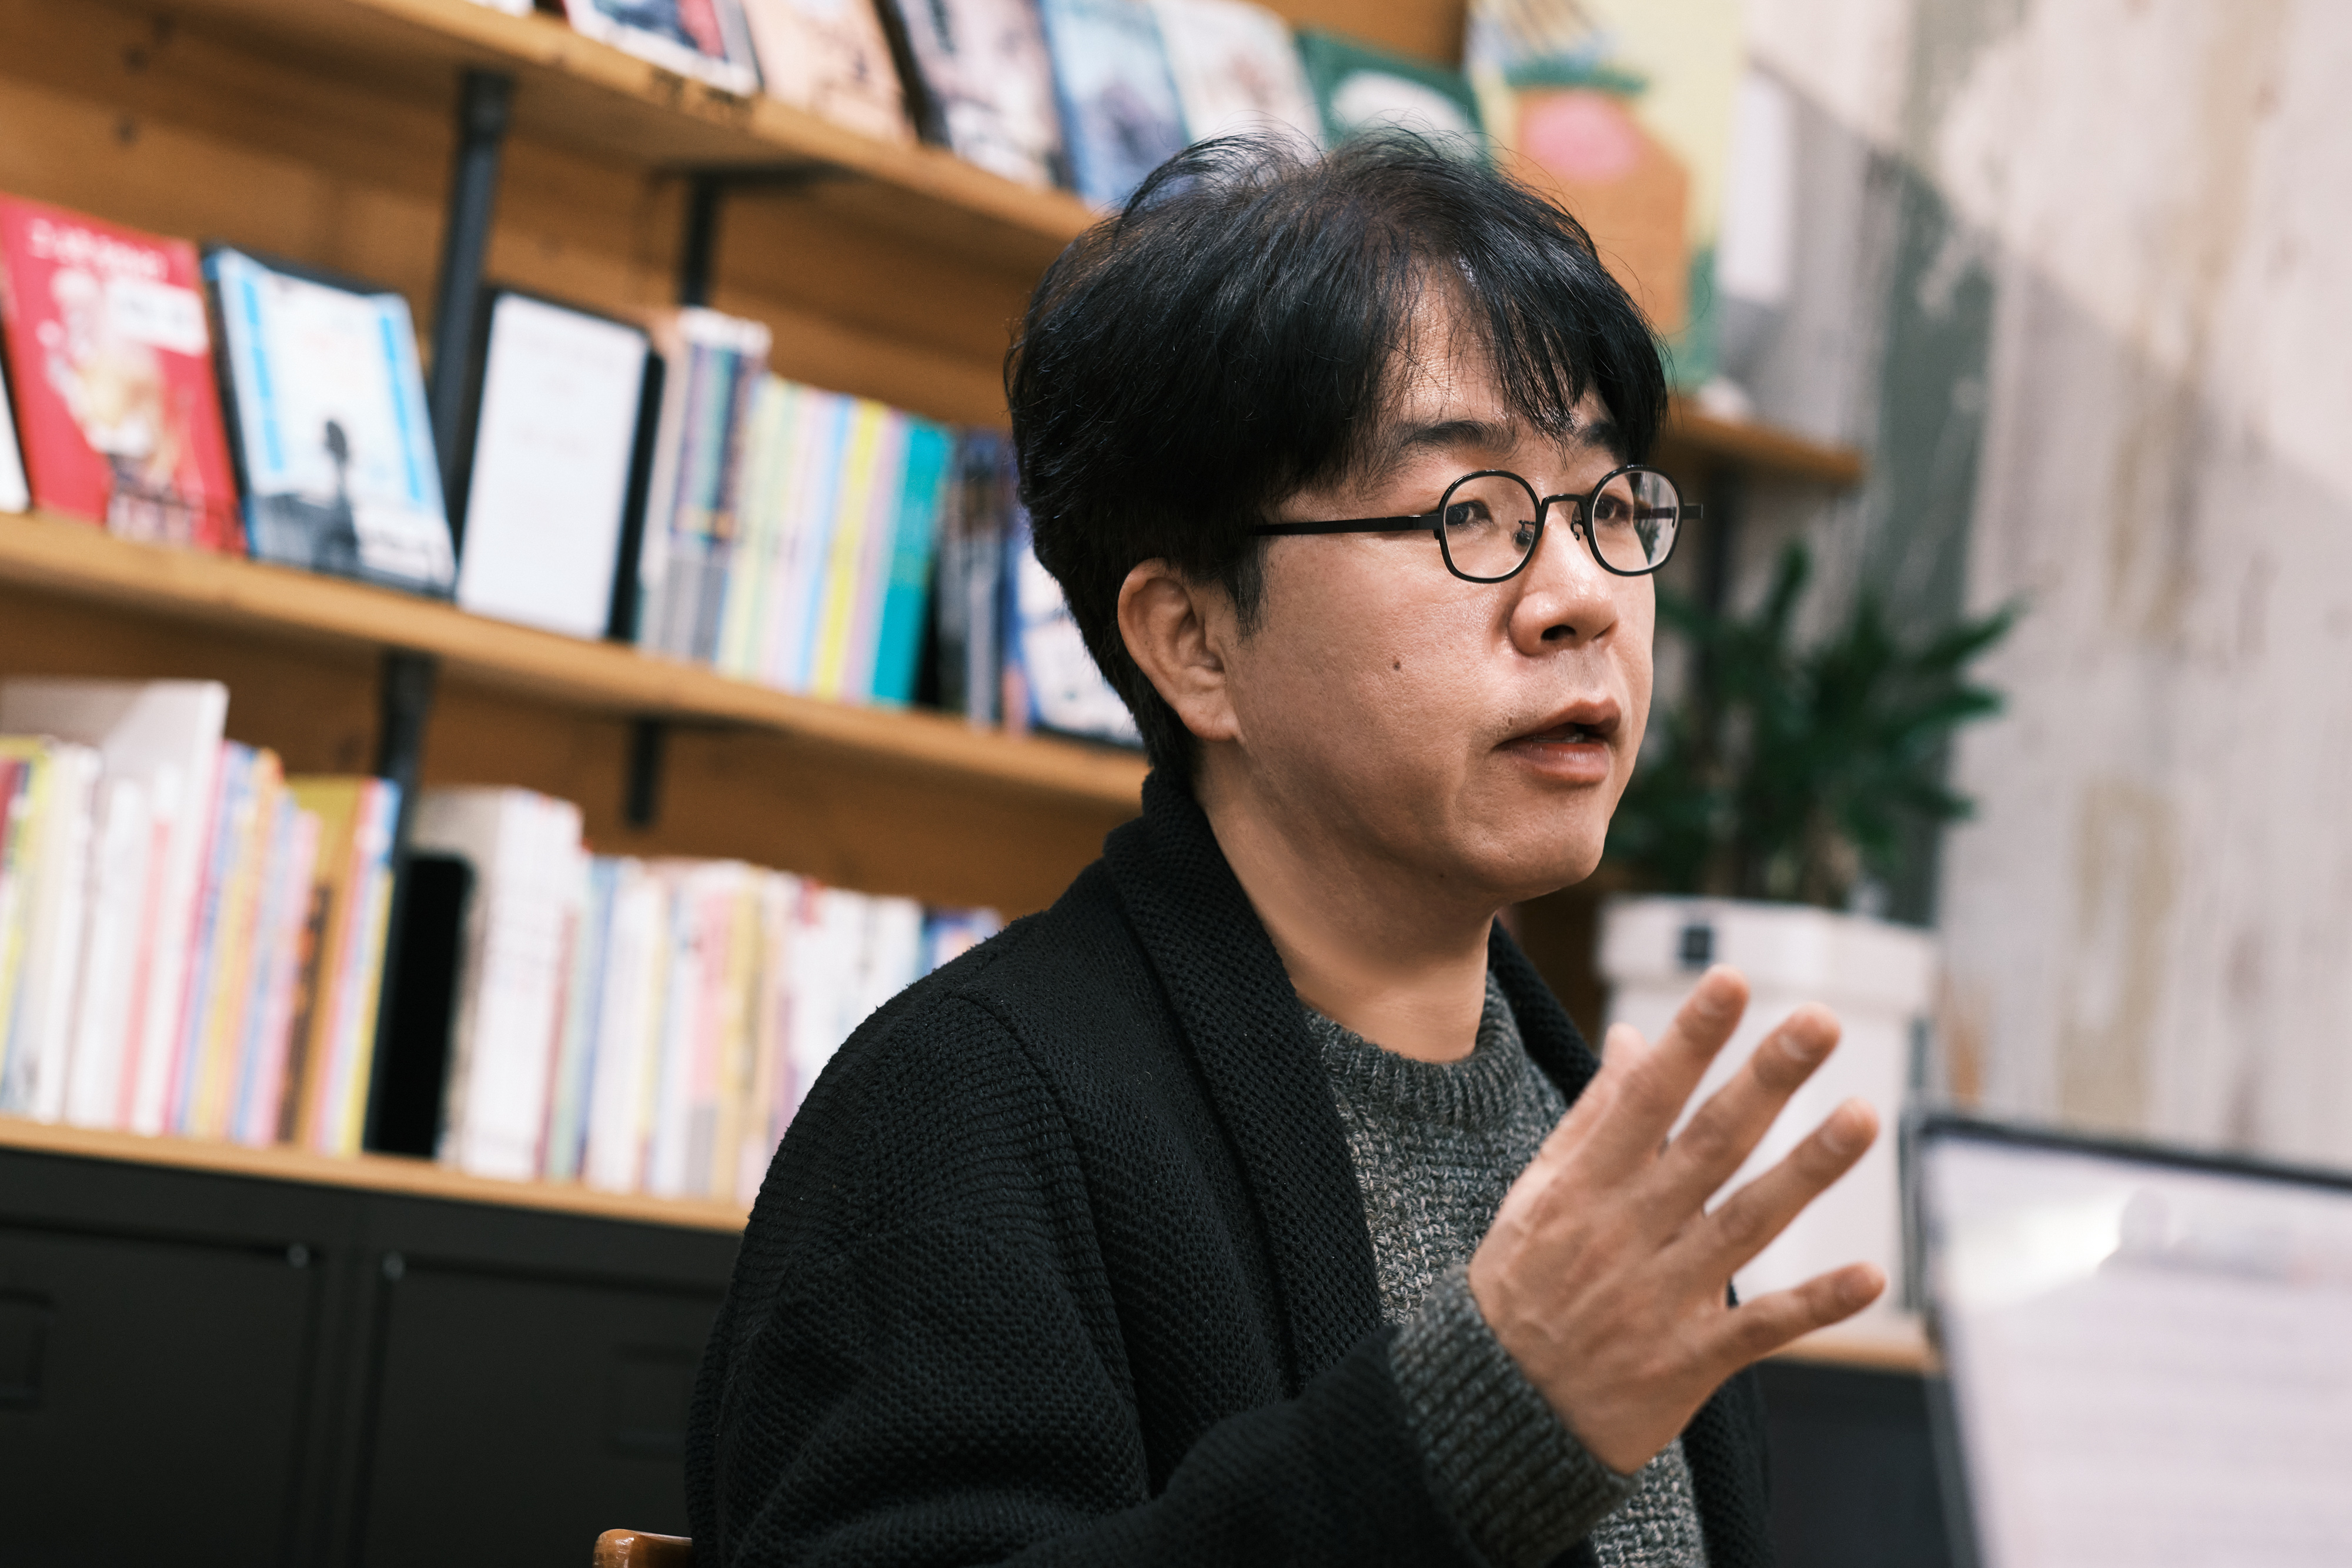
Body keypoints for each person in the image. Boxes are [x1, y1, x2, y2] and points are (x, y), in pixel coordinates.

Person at [686, 133, 1885, 1568]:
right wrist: (1469, 1431)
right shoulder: (969, 1111)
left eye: (1608, 506)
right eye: (1471, 512)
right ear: (1194, 641)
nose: (1577, 594)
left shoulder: (1592, 1148)